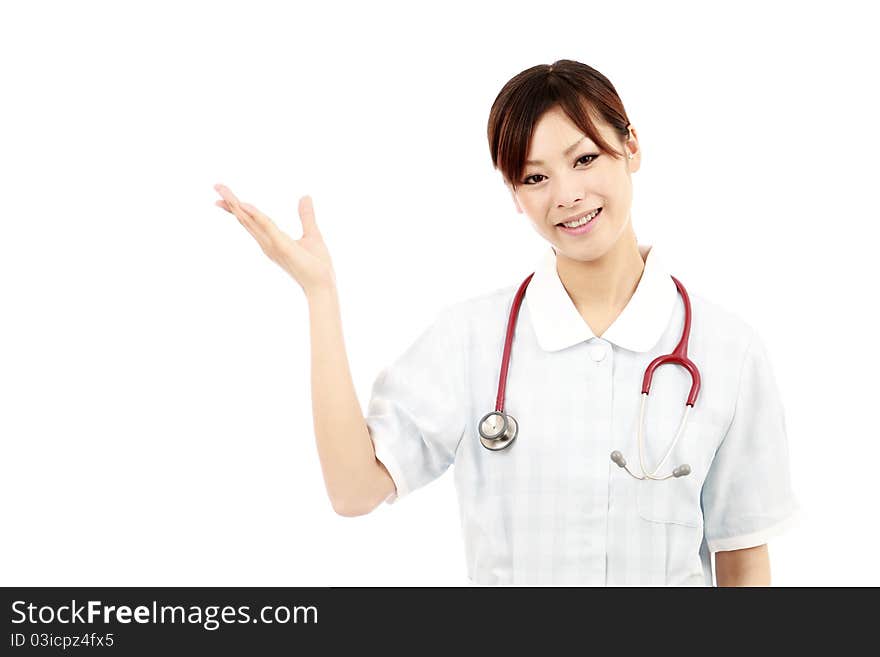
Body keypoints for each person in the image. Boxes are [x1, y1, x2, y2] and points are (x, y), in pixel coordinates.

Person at [213, 59, 800, 587]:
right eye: (535, 177)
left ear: (632, 146)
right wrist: (321, 295)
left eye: (585, 158)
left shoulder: (728, 352)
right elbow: (352, 489)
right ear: (514, 194)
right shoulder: (472, 339)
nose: (567, 195)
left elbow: (743, 561)